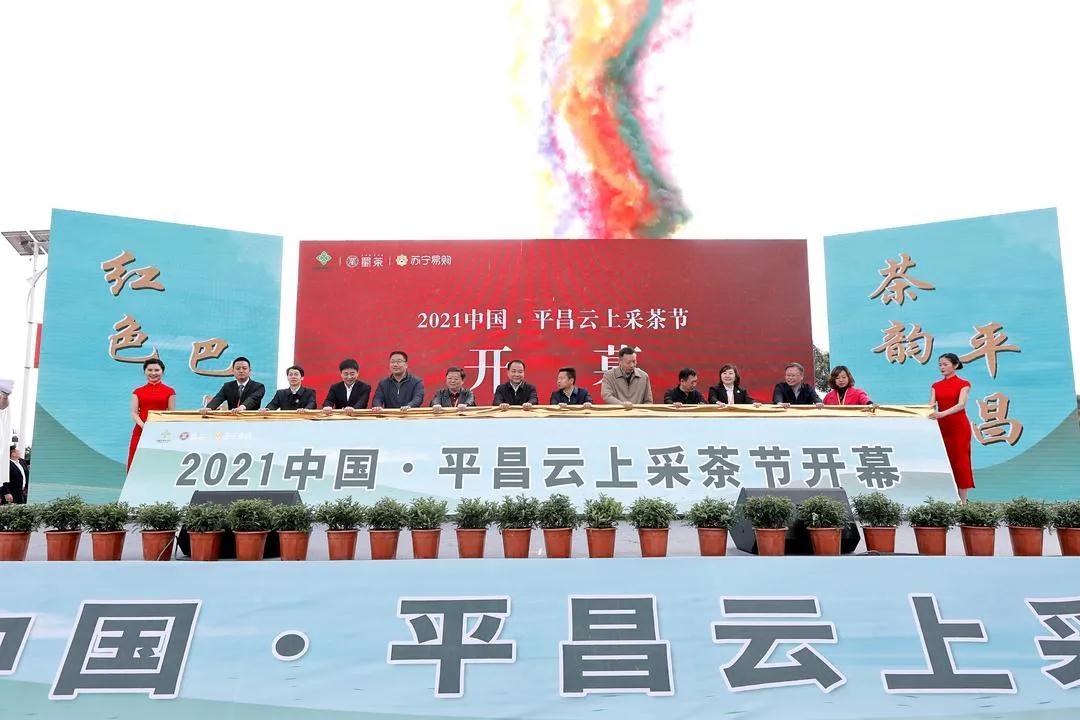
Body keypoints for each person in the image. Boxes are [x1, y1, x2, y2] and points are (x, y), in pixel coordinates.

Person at [929, 352, 974, 503]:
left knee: (960, 463)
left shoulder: (964, 384)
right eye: (940, 365)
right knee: (944, 462)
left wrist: (941, 414)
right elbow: (931, 405)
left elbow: (961, 405)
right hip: (942, 428)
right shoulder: (936, 386)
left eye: (945, 364)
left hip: (959, 427)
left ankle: (963, 502)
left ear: (955, 365)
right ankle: (946, 500)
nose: (942, 367)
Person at [128, 358, 177, 470]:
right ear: (144, 371)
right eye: (149, 370)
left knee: (157, 461)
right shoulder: (137, 392)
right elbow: (134, 413)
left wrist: (161, 427)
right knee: (136, 460)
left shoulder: (170, 391)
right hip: (140, 431)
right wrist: (143, 426)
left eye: (157, 370)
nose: (153, 373)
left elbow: (171, 413)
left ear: (162, 372)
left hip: (161, 432)